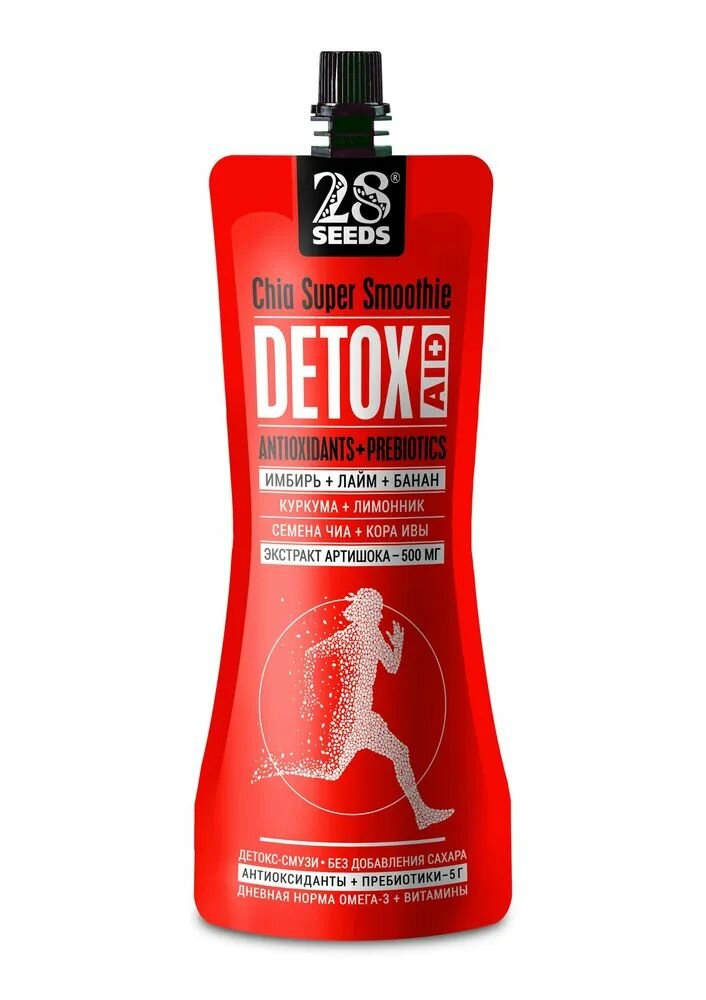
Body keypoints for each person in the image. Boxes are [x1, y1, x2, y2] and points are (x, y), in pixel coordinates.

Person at [253, 587, 453, 830]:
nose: (380, 614)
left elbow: (391, 667)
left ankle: (421, 814)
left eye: (379, 610)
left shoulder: (373, 635)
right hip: (351, 720)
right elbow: (311, 653)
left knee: (393, 755)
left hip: (364, 717)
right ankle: (277, 767)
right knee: (336, 770)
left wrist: (398, 644)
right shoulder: (349, 636)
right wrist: (310, 693)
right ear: (366, 611)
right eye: (376, 610)